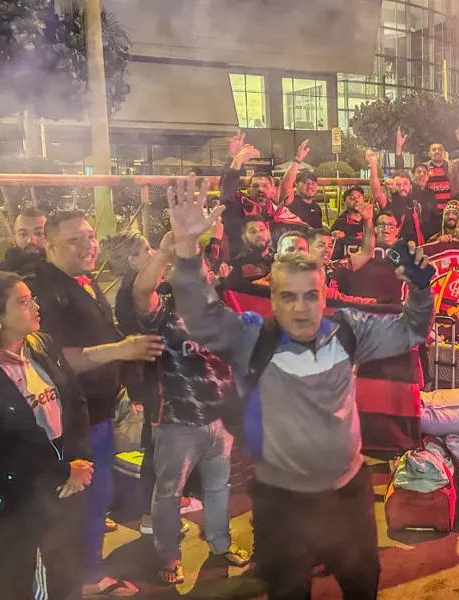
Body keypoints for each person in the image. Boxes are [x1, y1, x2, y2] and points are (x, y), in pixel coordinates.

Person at [165, 176, 435, 600]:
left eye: (311, 296)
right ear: (271, 300)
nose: (301, 308)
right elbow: (201, 317)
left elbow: (412, 331)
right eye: (288, 297)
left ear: (325, 296)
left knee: (363, 586)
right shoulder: (251, 339)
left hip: (348, 497)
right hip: (281, 503)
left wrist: (421, 289)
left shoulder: (350, 332)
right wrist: (185, 249)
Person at [26, 209, 164, 597]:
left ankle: (86, 570)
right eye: (75, 240)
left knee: (97, 495)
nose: (88, 245)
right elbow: (51, 356)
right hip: (74, 417)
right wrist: (120, 349)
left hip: (99, 409)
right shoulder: (46, 290)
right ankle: (85, 578)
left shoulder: (80, 280)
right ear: (48, 245)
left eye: (90, 236)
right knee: (86, 497)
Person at [108, 231, 250, 585]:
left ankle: (220, 543)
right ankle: (168, 555)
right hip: (176, 421)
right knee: (168, 492)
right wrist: (168, 249)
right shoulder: (163, 314)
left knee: (218, 487)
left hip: (220, 419)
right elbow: (141, 292)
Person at [0, 272, 93, 600]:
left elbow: (75, 401)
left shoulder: (41, 346)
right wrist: (62, 472)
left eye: (32, 298)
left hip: (64, 478)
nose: (35, 306)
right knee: (24, 580)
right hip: (15, 495)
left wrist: (80, 459)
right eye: (23, 302)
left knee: (66, 570)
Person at [307, 227, 377, 304]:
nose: (327, 250)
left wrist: (368, 219)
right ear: (307, 247)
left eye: (330, 246)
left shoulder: (334, 267)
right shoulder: (301, 274)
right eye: (321, 245)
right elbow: (340, 299)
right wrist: (368, 302)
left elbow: (366, 252)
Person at [279, 140, 325, 229]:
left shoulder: (316, 208)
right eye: (305, 183)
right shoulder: (291, 202)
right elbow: (286, 186)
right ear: (296, 184)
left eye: (313, 183)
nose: (310, 186)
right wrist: (298, 159)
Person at [0, 207, 48, 276]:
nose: (31, 241)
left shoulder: (63, 269)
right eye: (23, 234)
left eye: (39, 233)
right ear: (14, 237)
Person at [330, 187, 375, 260]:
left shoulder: (373, 217)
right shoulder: (340, 222)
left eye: (359, 197)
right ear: (344, 202)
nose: (356, 200)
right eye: (352, 198)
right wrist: (334, 235)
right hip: (350, 261)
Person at [227, 216, 275, 284]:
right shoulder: (236, 266)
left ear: (268, 232)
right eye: (253, 231)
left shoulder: (281, 259)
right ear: (244, 237)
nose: (259, 234)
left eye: (262, 230)